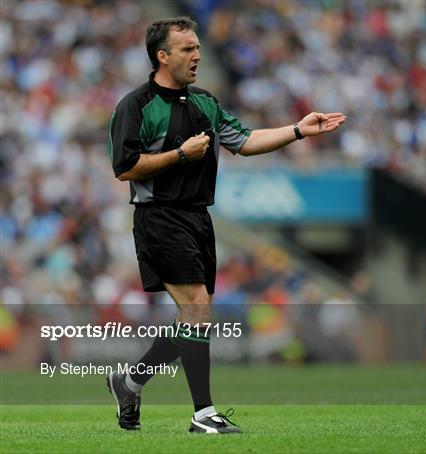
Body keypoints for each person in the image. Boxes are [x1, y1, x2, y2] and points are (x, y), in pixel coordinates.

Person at [106, 16, 347, 434]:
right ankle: (203, 415)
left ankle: (129, 383)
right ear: (162, 56)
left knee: (194, 316)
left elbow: (246, 141)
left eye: (198, 47)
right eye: (187, 49)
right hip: (158, 216)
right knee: (197, 306)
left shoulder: (205, 102)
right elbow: (124, 168)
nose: (197, 55)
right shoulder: (136, 105)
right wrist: (180, 155)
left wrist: (297, 130)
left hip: (199, 217)